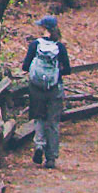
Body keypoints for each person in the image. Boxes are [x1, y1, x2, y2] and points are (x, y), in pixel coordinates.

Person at [24, 13, 71, 168]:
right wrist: (56, 73)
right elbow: (67, 69)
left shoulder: (35, 45)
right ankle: (51, 157)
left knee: (39, 118)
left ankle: (39, 145)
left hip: (36, 88)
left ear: (44, 28)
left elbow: (25, 66)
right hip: (54, 89)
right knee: (53, 122)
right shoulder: (60, 47)